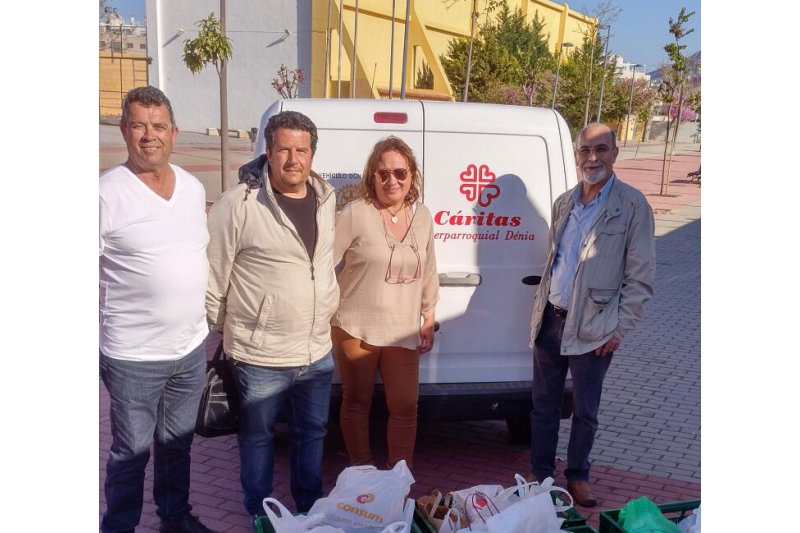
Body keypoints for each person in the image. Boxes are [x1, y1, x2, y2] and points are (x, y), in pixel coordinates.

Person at [205, 111, 339, 527]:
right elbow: (213, 277)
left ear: (312, 154)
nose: (293, 159)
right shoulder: (239, 204)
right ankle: (259, 517)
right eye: (284, 149)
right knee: (258, 439)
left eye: (302, 149)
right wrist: (228, 332)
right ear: (269, 151)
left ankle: (308, 512)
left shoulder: (327, 197)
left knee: (311, 436)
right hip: (259, 355)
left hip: (316, 351)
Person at [99, 86, 216, 533]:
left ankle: (175, 518)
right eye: (139, 125)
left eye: (159, 125)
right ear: (125, 131)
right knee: (130, 455)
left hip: (189, 348)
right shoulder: (106, 193)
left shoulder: (191, 187)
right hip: (133, 355)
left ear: (175, 132)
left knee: (176, 445)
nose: (150, 135)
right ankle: (120, 526)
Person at [527, 123, 656, 507]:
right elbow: (557, 261)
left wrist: (618, 328)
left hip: (594, 328)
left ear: (615, 153)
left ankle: (578, 475)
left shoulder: (633, 206)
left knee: (585, 411)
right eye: (585, 150)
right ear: (576, 154)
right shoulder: (564, 202)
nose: (592, 158)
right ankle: (540, 476)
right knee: (543, 407)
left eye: (601, 149)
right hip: (551, 320)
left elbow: (641, 277)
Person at [331, 136, 439, 470]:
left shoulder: (422, 216)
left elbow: (430, 269)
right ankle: (361, 470)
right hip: (354, 327)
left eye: (400, 173)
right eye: (383, 173)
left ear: (412, 176)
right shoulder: (355, 213)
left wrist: (428, 315)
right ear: (371, 176)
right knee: (357, 401)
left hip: (402, 330)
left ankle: (399, 477)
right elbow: (324, 265)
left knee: (405, 405)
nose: (392, 180)